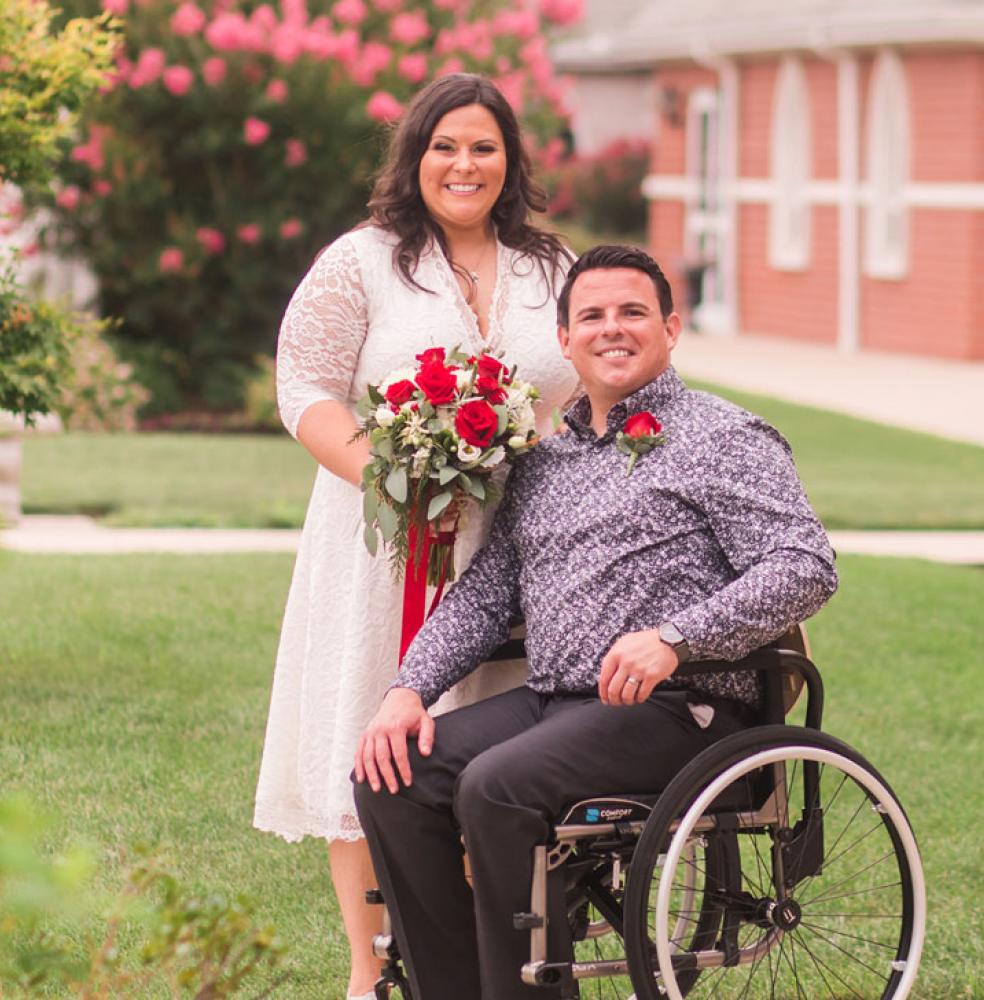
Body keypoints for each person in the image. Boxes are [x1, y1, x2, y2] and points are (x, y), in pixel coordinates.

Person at [353, 244, 839, 1000]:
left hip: (683, 708)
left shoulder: (726, 437)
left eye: (633, 312)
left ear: (671, 329)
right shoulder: (545, 462)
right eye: (593, 316)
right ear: (565, 339)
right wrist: (409, 687)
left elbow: (805, 565)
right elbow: (486, 596)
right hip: (556, 702)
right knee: (393, 774)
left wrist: (676, 639)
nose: (613, 329)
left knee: (496, 785)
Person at [253, 74, 579, 1000]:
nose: (463, 164)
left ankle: (477, 959)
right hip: (383, 544)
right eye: (445, 146)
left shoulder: (550, 268)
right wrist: (399, 482)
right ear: (416, 157)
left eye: (483, 146)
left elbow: (588, 387)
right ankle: (369, 970)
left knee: (492, 746)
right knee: (373, 732)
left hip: (518, 544)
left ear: (509, 159)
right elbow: (304, 388)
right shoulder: (363, 260)